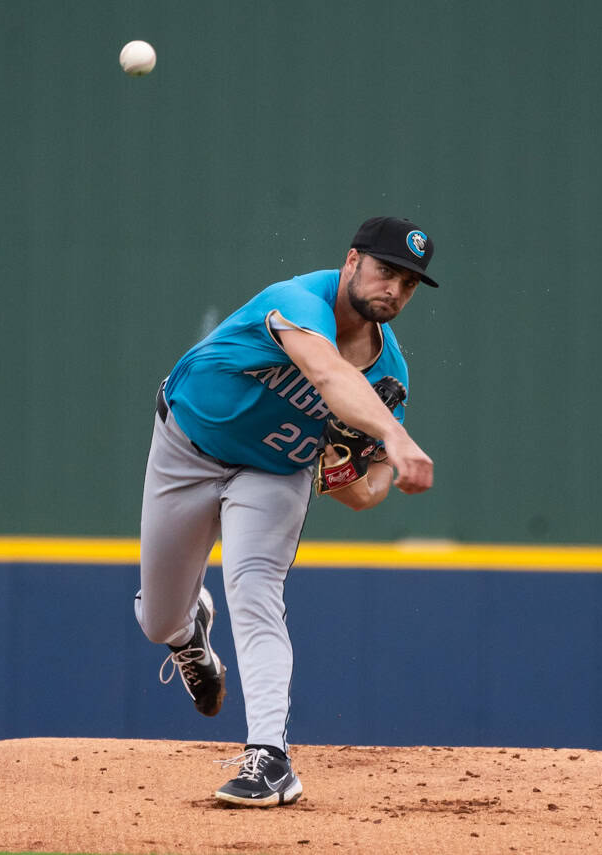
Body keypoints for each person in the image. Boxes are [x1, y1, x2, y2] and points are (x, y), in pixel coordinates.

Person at [135, 216, 439, 807]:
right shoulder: (295, 300)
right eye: (387, 272)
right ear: (353, 261)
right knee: (157, 620)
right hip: (187, 447)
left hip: (273, 473)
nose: (395, 290)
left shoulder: (390, 374)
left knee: (255, 590)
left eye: (409, 283)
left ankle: (269, 758)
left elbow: (367, 486)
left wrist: (366, 479)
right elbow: (326, 373)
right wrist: (395, 438)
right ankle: (186, 630)